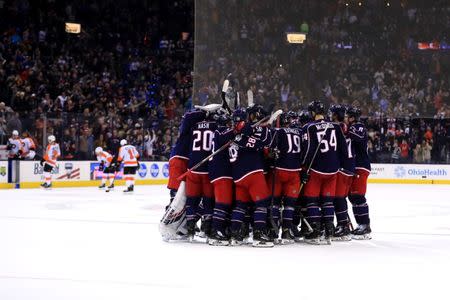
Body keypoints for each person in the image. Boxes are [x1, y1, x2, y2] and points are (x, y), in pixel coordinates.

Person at [300, 100, 349, 245]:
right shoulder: (335, 126)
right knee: (328, 201)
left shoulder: (309, 127)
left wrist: (304, 166)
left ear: (313, 112)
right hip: (333, 170)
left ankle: (315, 231)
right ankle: (329, 231)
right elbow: (343, 149)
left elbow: (308, 150)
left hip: (316, 169)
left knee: (312, 200)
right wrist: (340, 165)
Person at [229, 106, 274, 247]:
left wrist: (249, 131)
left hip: (238, 176)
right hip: (253, 173)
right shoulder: (247, 132)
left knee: (240, 206)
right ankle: (258, 235)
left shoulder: (234, 135)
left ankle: (235, 235)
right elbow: (263, 144)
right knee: (261, 204)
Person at [269, 111, 302, 244]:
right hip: (295, 172)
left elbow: (271, 151)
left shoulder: (278, 132)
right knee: (289, 205)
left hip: (279, 171)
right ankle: (287, 231)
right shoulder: (298, 132)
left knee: (275, 204)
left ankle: (274, 231)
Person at [185, 108, 217, 241]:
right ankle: (206, 231)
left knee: (191, 202)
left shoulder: (194, 126)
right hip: (207, 170)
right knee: (208, 202)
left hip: (193, 168)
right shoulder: (216, 126)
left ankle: (190, 232)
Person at [208, 111, 235, 246]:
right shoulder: (220, 132)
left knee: (225, 202)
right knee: (223, 202)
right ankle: (215, 232)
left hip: (221, 172)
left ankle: (218, 228)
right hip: (221, 172)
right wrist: (238, 129)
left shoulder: (219, 131)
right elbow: (226, 137)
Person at [329, 104, 355, 241]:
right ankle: (342, 223)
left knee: (338, 198)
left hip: (343, 166)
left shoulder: (338, 126)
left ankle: (343, 226)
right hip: (347, 165)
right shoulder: (344, 126)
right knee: (339, 198)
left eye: (332, 113)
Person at [347, 106, 372, 239]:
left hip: (361, 166)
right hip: (355, 166)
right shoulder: (352, 126)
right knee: (352, 197)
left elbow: (357, 136)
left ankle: (365, 225)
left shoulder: (359, 126)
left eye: (348, 116)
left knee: (358, 196)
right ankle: (360, 224)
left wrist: (346, 130)